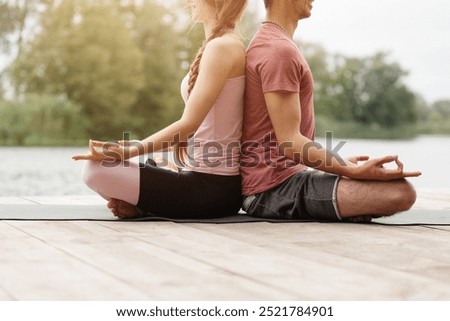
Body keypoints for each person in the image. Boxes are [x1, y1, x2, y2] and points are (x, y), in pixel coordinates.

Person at [240, 0, 422, 222]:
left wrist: (339, 163)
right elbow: (290, 142)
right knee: (401, 193)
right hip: (271, 191)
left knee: (395, 189)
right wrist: (350, 170)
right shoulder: (277, 50)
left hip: (284, 179)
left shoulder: (273, 43)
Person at [73, 0, 247, 219]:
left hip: (212, 190)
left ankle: (145, 204)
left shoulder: (222, 47)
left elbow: (188, 124)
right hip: (204, 180)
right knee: (155, 163)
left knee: (94, 169)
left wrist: (130, 150)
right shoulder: (222, 45)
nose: (189, 2)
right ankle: (144, 205)